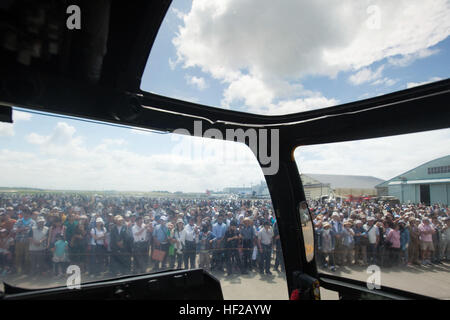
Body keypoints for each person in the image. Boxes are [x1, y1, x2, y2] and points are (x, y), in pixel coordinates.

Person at [13, 209, 35, 274]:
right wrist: (23, 229)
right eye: (25, 213)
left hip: (28, 241)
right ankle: (18, 269)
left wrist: (19, 230)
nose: (26, 214)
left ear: (30, 214)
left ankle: (27, 270)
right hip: (19, 241)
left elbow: (33, 231)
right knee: (18, 255)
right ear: (22, 214)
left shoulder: (33, 222)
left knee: (27, 256)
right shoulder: (18, 221)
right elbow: (14, 230)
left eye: (28, 213)